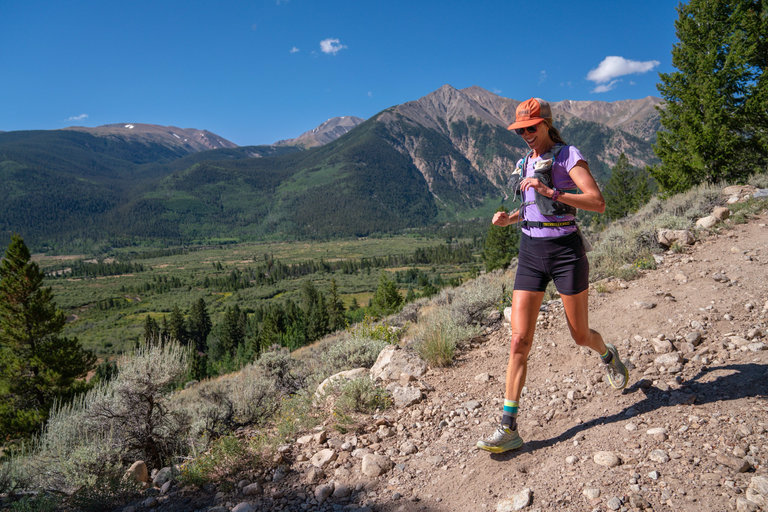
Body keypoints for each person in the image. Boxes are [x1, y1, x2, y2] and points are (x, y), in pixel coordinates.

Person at [476, 98, 629, 454]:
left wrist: (552, 190)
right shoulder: (525, 161)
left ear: (546, 124)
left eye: (531, 128)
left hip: (565, 253)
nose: (526, 135)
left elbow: (597, 201)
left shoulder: (567, 155)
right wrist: (510, 219)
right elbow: (535, 207)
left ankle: (607, 354)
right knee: (518, 341)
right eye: (521, 130)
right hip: (530, 253)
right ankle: (508, 426)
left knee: (579, 334)